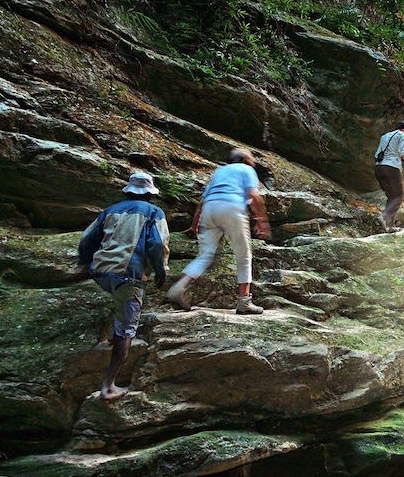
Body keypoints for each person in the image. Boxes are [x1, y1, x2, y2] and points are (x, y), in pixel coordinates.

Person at [78, 171, 170, 401]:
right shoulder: (154, 213)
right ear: (150, 194)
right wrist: (161, 271)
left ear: (128, 191)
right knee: (128, 330)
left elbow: (86, 240)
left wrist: (86, 262)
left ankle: (111, 336)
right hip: (128, 276)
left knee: (118, 298)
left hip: (101, 273)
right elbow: (157, 245)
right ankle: (109, 386)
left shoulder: (109, 211)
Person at [166, 148, 270, 315]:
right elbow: (253, 195)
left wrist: (194, 225)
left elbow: (202, 201)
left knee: (205, 255)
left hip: (209, 209)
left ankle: (178, 287)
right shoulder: (246, 169)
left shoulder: (219, 171)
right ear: (244, 160)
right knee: (243, 256)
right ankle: (244, 302)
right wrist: (261, 221)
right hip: (232, 207)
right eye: (251, 159)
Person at [374, 121, 404, 232]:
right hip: (391, 168)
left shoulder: (384, 136)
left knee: (392, 196)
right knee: (400, 195)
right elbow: (402, 152)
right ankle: (384, 216)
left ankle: (389, 226)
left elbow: (377, 154)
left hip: (379, 168)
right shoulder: (402, 135)